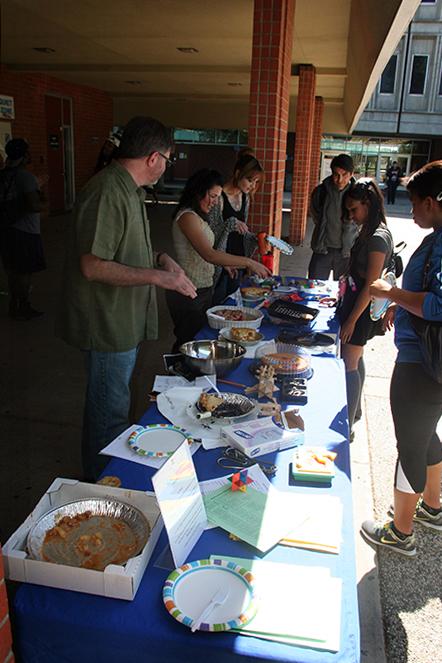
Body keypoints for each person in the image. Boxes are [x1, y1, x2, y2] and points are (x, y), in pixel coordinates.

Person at [56, 116, 197, 481]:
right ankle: (102, 491)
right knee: (109, 414)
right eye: (168, 157)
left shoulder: (130, 190)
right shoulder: (107, 191)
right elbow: (93, 266)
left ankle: (106, 479)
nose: (167, 165)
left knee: (112, 405)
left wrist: (162, 259)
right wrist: (158, 277)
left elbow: (127, 250)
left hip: (124, 320)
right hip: (107, 323)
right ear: (153, 158)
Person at [361, 161, 442, 556]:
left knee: (409, 442)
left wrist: (391, 295)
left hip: (421, 365)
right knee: (426, 433)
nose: (410, 212)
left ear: (431, 202)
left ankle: (400, 532)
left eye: (414, 204)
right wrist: (404, 305)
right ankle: (432, 506)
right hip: (429, 363)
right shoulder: (436, 237)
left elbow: (438, 304)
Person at [166, 168, 271, 351]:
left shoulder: (198, 216)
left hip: (202, 288)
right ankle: (174, 377)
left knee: (197, 342)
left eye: (217, 197)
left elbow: (210, 254)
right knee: (188, 343)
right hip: (187, 289)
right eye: (212, 196)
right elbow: (209, 254)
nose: (215, 202)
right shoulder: (187, 217)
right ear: (199, 191)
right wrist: (248, 262)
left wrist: (226, 263)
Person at [338, 180, 394, 438]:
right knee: (355, 358)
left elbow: (371, 285)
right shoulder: (368, 230)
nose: (350, 216)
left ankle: (347, 426)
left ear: (368, 205)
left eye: (354, 210)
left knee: (350, 360)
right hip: (356, 303)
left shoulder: (377, 238)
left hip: (361, 308)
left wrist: (351, 320)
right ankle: (355, 411)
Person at [0, 138, 46, 320]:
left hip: (6, 228)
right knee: (25, 271)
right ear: (25, 154)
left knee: (12, 269)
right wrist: (43, 197)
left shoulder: (3, 174)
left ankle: (14, 304)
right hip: (25, 230)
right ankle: (23, 305)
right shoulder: (25, 176)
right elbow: (34, 205)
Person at [210, 153, 264, 304]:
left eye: (256, 182)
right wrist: (230, 223)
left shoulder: (245, 197)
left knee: (233, 305)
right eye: (250, 180)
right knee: (217, 305)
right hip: (220, 263)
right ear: (238, 173)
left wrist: (258, 239)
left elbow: (242, 231)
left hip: (239, 261)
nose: (252, 185)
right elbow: (212, 234)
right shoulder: (219, 196)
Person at [308, 153, 358, 280]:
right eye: (336, 174)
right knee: (313, 288)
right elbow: (315, 215)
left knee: (344, 292)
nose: (339, 180)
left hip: (347, 252)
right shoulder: (321, 191)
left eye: (344, 175)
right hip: (322, 249)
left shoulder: (359, 194)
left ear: (352, 174)